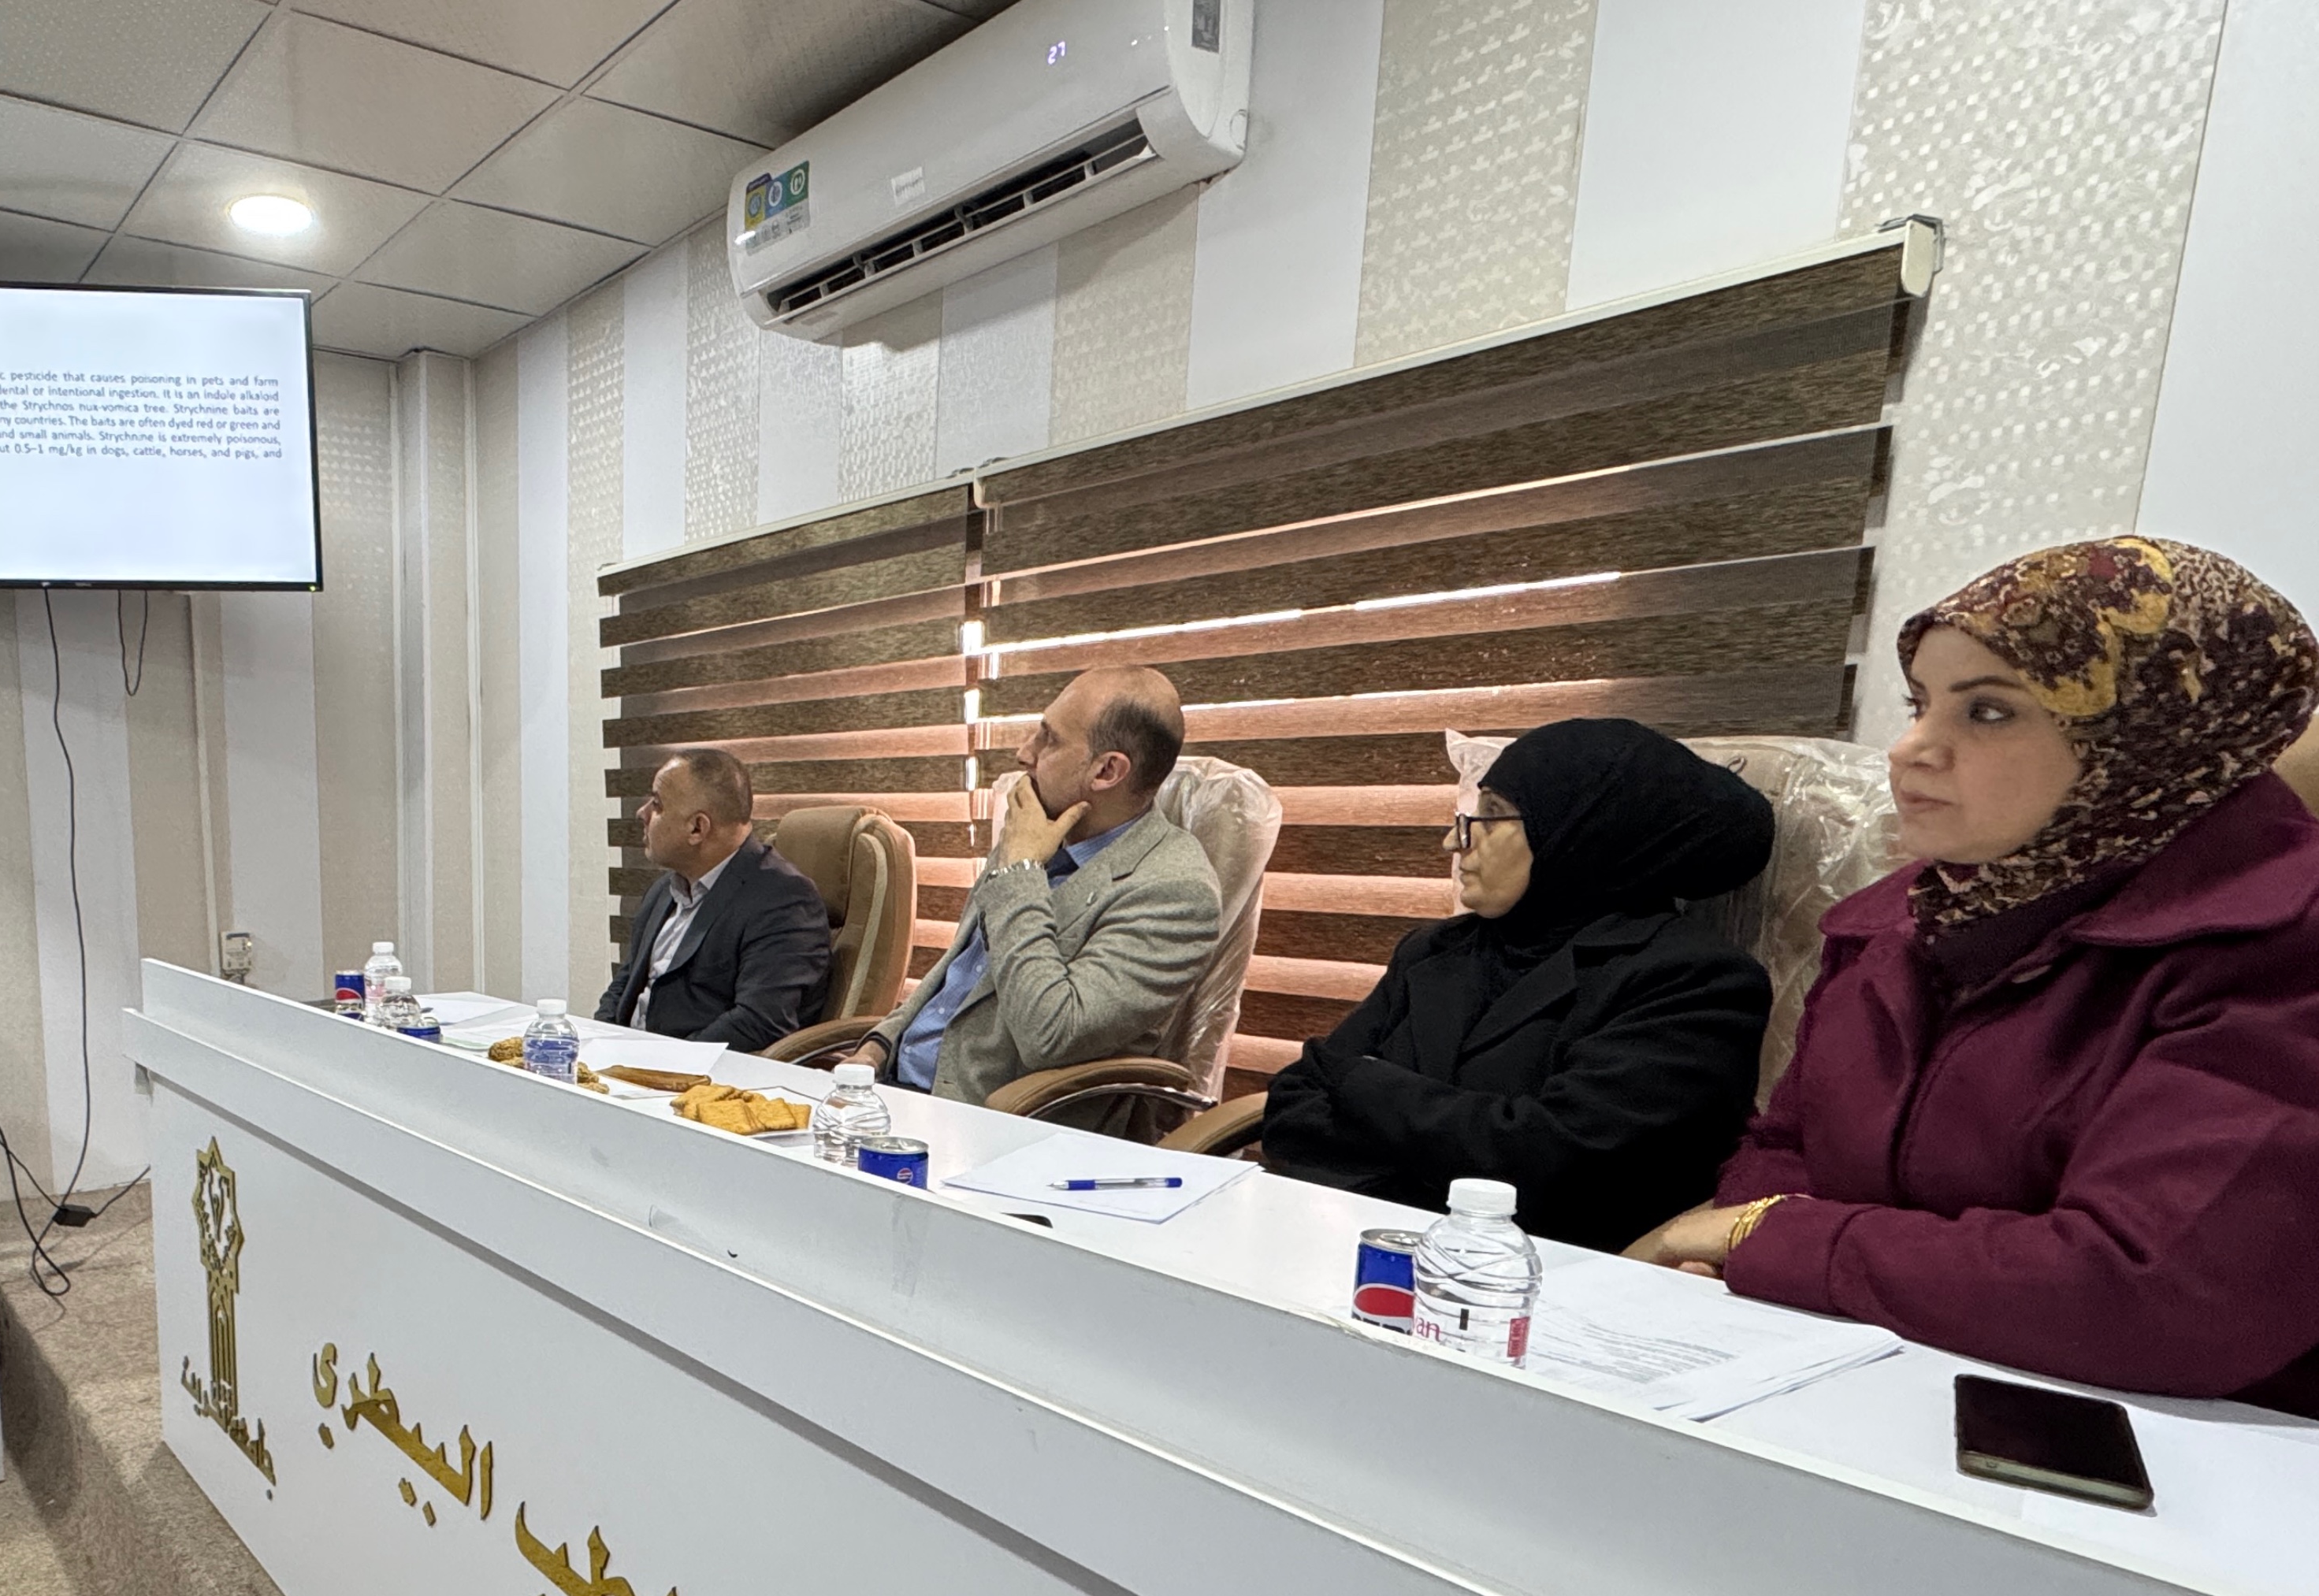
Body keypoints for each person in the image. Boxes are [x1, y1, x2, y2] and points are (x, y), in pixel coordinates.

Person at [1629, 536, 2319, 1409]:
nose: (1910, 749)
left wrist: (1767, 1240)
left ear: (2154, 730)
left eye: (1987, 712)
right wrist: (1727, 1266)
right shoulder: (1898, 922)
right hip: (1867, 1386)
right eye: (1919, 704)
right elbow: (1788, 1149)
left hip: (2179, 1449)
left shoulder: (2282, 938)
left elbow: (2154, 1292)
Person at [1258, 718, 1776, 1250]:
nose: (1453, 842)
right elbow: (1293, 1105)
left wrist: (1360, 1084)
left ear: (1582, 830)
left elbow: (1551, 1166)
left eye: (1491, 816)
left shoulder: (1696, 980)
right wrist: (1451, 1147)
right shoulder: (1433, 950)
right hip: (1356, 1242)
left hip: (1541, 1276)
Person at [856, 665, 1219, 1105]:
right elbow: (961, 978)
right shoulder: (1038, 834)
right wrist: (879, 1045)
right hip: (895, 1091)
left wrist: (1021, 871)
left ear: (1107, 770)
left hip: (989, 1120)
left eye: (1049, 739)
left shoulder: (1175, 890)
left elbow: (1050, 1035)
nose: (1023, 753)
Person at [595, 749, 832, 1050]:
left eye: (657, 804)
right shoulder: (663, 890)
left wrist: (664, 1061)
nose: (642, 813)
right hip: (628, 1063)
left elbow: (758, 1022)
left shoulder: (784, 901)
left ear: (697, 828)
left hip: (695, 1071)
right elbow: (625, 985)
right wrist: (596, 1044)